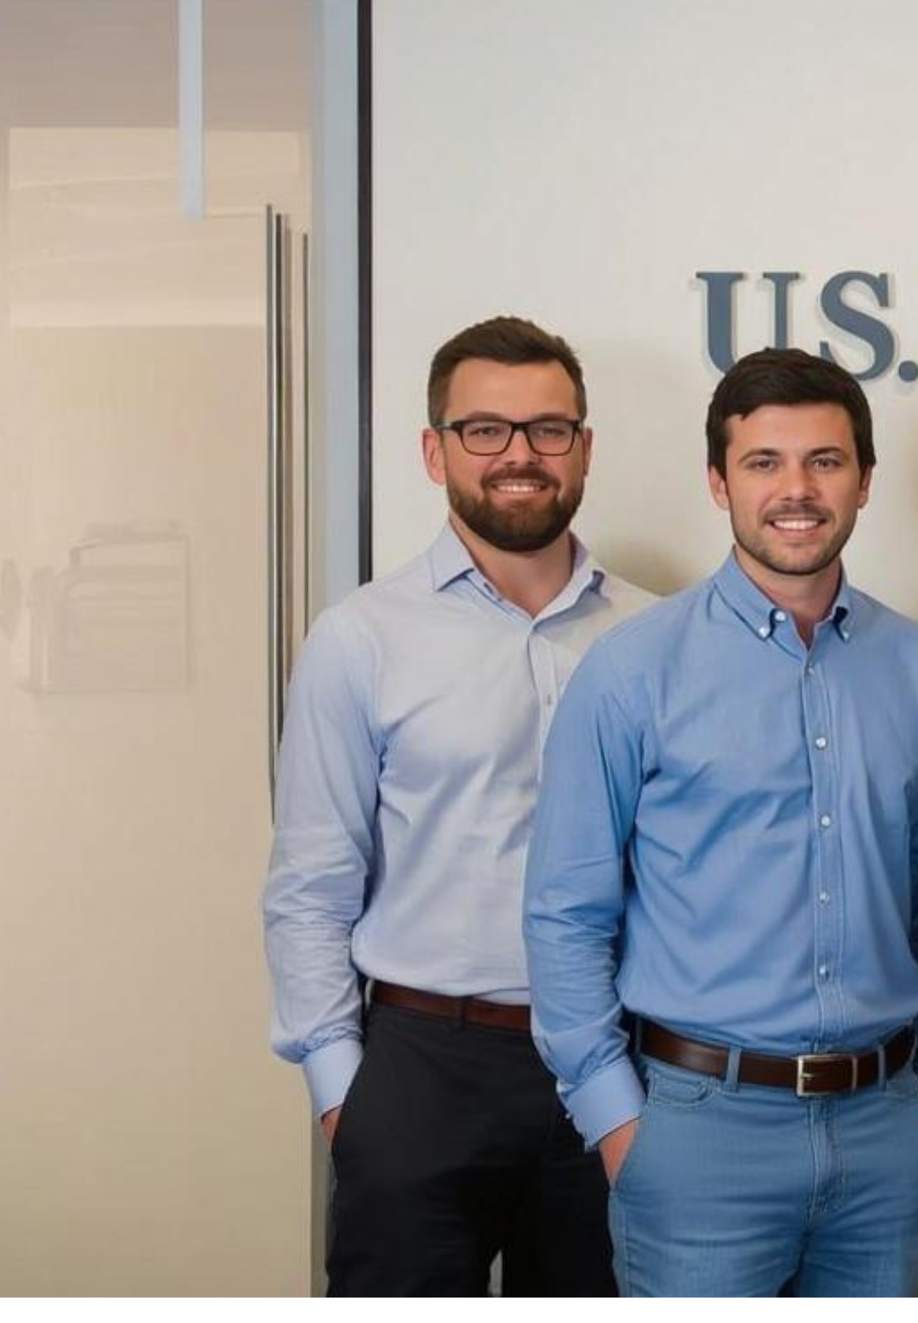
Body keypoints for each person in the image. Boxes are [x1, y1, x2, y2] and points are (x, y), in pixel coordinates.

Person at [523, 348, 918, 1297]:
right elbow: (566, 914)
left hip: (885, 1133)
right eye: (764, 462)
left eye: (825, 461)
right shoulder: (630, 671)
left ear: (864, 479)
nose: (796, 490)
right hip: (695, 1136)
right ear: (718, 480)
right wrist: (619, 1124)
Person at [262, 315, 652, 1294]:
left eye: (547, 429)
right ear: (434, 451)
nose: (519, 454)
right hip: (424, 1068)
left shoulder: (654, 635)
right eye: (485, 429)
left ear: (584, 448)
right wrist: (346, 1101)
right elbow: (310, 885)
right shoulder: (360, 638)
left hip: (616, 1063)